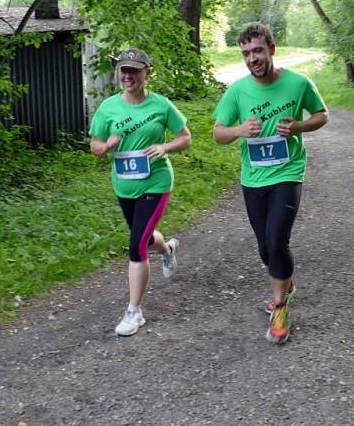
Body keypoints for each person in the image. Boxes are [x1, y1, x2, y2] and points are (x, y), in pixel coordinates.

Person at [213, 23, 329, 344]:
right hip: (253, 179)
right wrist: (239, 131)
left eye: (258, 50)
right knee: (265, 247)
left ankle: (280, 307)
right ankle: (285, 278)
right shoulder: (237, 91)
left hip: (288, 172)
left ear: (272, 50)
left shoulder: (297, 83)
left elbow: (322, 115)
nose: (253, 58)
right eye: (246, 53)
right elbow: (218, 132)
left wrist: (299, 126)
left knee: (276, 240)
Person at [89, 48, 192, 336]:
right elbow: (94, 146)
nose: (127, 75)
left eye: (134, 70)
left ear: (147, 72)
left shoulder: (161, 105)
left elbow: (185, 138)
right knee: (142, 235)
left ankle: (134, 312)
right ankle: (168, 249)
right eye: (123, 70)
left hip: (156, 183)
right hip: (124, 185)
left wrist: (165, 147)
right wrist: (106, 146)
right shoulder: (108, 108)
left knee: (136, 246)